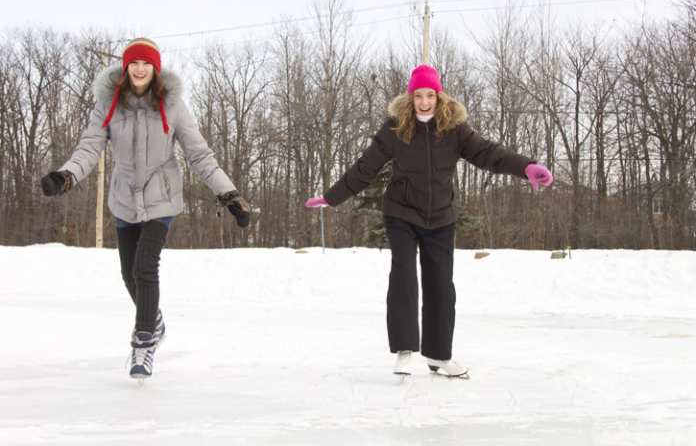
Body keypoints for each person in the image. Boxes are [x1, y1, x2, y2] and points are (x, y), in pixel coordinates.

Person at [305, 64, 553, 377]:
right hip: (402, 214)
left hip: (440, 217)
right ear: (410, 98)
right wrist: (332, 197)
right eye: (418, 95)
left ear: (439, 96)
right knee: (404, 277)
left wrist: (526, 167)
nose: (424, 101)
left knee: (441, 286)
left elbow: (490, 153)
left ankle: (439, 356)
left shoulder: (454, 129)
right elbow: (365, 168)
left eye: (430, 95)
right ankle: (405, 350)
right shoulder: (396, 128)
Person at [40, 38, 251, 381]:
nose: (140, 69)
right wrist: (66, 177)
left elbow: (200, 155)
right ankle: (153, 319)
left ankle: (143, 345)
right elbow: (88, 148)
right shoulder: (107, 106)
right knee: (128, 274)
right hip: (124, 199)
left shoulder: (173, 105)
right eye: (134, 63)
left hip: (160, 198)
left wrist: (230, 196)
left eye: (146, 64)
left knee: (144, 267)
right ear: (126, 69)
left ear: (155, 68)